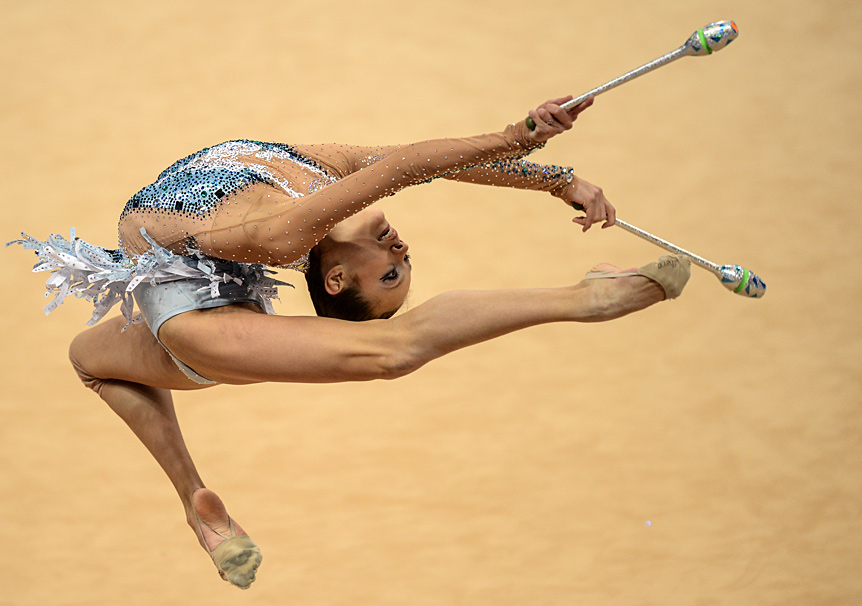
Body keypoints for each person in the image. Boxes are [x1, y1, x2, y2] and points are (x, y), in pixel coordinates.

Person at [12, 97, 691, 589]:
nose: (400, 251)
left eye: (390, 274)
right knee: (87, 359)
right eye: (402, 267)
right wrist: (553, 176)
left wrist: (520, 138)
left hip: (203, 323)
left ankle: (589, 299)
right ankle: (204, 515)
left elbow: (405, 170)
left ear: (335, 278)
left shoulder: (288, 226)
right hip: (187, 287)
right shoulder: (312, 177)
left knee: (391, 353)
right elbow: (416, 165)